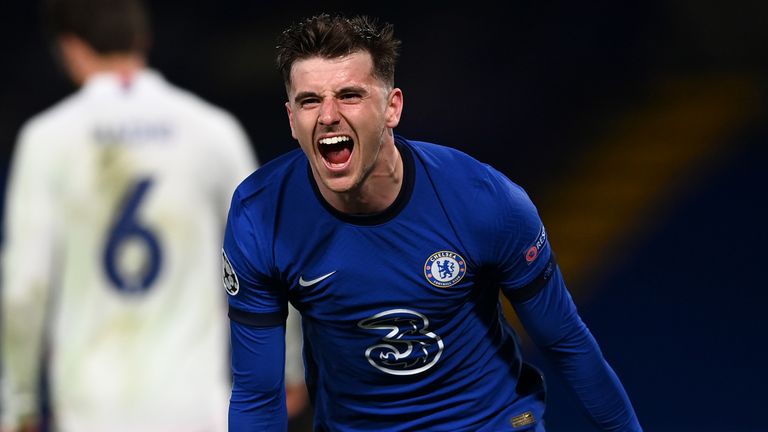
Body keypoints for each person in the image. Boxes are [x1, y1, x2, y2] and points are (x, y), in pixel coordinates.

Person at [222, 13, 643, 432]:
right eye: (310, 100)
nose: (328, 115)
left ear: (392, 108)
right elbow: (258, 394)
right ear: (292, 119)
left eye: (349, 95)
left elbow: (566, 342)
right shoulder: (260, 215)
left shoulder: (483, 201)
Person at [0, 0, 310, 431]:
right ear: (142, 39)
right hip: (198, 408)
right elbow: (269, 255)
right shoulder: (213, 131)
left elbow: (24, 287)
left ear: (69, 48)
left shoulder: (47, 140)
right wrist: (290, 368)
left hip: (91, 412)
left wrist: (18, 405)